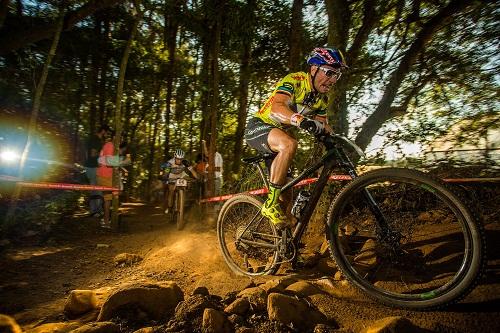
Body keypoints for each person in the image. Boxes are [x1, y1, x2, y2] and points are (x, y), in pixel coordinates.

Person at [244, 47, 348, 229]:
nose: (332, 80)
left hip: (278, 137)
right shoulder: (295, 80)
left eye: (336, 76)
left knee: (287, 198)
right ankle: (269, 204)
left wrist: (338, 140)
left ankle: (277, 244)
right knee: (290, 143)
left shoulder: (321, 99)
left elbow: (324, 126)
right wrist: (300, 120)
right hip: (259, 126)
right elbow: (277, 107)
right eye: (330, 73)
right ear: (314, 69)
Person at [96, 130, 131, 228]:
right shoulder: (110, 146)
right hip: (105, 175)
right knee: (113, 195)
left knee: (109, 198)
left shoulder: (112, 146)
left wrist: (122, 166)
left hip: (106, 174)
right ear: (114, 137)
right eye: (119, 137)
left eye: (122, 138)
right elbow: (108, 162)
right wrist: (123, 161)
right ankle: (107, 220)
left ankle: (106, 220)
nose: (121, 139)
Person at [161, 148, 198, 214]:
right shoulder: (169, 163)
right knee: (171, 191)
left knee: (190, 180)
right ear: (175, 157)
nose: (179, 161)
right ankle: (169, 207)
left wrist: (197, 178)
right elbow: (166, 174)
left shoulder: (185, 162)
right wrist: (165, 178)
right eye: (178, 159)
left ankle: (182, 197)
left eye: (181, 159)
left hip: (182, 175)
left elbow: (192, 171)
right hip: (172, 176)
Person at [84, 125, 110, 216]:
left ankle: (95, 210)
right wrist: (101, 159)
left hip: (91, 166)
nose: (107, 134)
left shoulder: (95, 139)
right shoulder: (95, 140)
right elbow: (93, 153)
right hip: (93, 167)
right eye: (107, 132)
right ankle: (95, 210)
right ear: (103, 131)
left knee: (95, 188)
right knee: (97, 189)